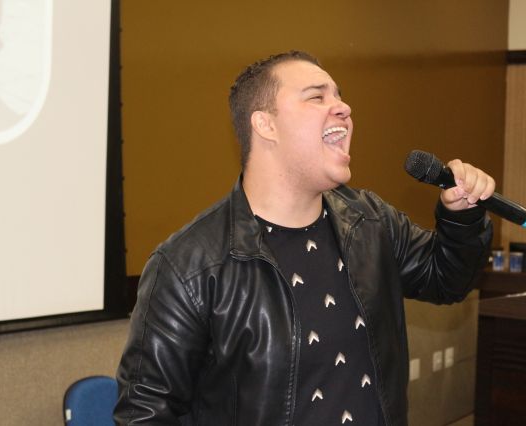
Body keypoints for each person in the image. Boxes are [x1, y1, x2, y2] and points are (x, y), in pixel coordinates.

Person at [114, 51, 494, 426]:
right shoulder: (188, 266)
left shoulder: (371, 221)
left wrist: (462, 216)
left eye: (339, 95)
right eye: (317, 97)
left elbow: (447, 279)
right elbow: (143, 414)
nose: (343, 107)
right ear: (265, 125)